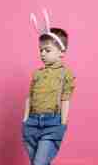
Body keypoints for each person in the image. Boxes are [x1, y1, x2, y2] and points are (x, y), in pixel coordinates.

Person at [21, 22, 76, 165]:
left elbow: (65, 99)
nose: (42, 54)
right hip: (31, 123)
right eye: (40, 50)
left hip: (52, 124)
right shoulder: (37, 74)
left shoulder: (65, 73)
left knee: (39, 162)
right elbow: (30, 97)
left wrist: (62, 124)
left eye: (47, 50)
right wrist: (25, 120)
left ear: (61, 52)